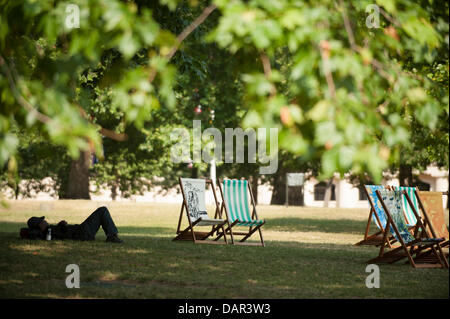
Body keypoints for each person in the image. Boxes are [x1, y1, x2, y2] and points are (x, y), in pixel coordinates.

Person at [25, 206, 123, 243]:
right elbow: (64, 235)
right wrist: (61, 226)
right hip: (82, 232)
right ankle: (112, 236)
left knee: (102, 210)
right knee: (102, 210)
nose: (45, 221)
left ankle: (112, 235)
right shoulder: (47, 233)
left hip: (81, 230)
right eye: (42, 221)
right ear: (39, 225)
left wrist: (60, 225)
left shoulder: (49, 230)